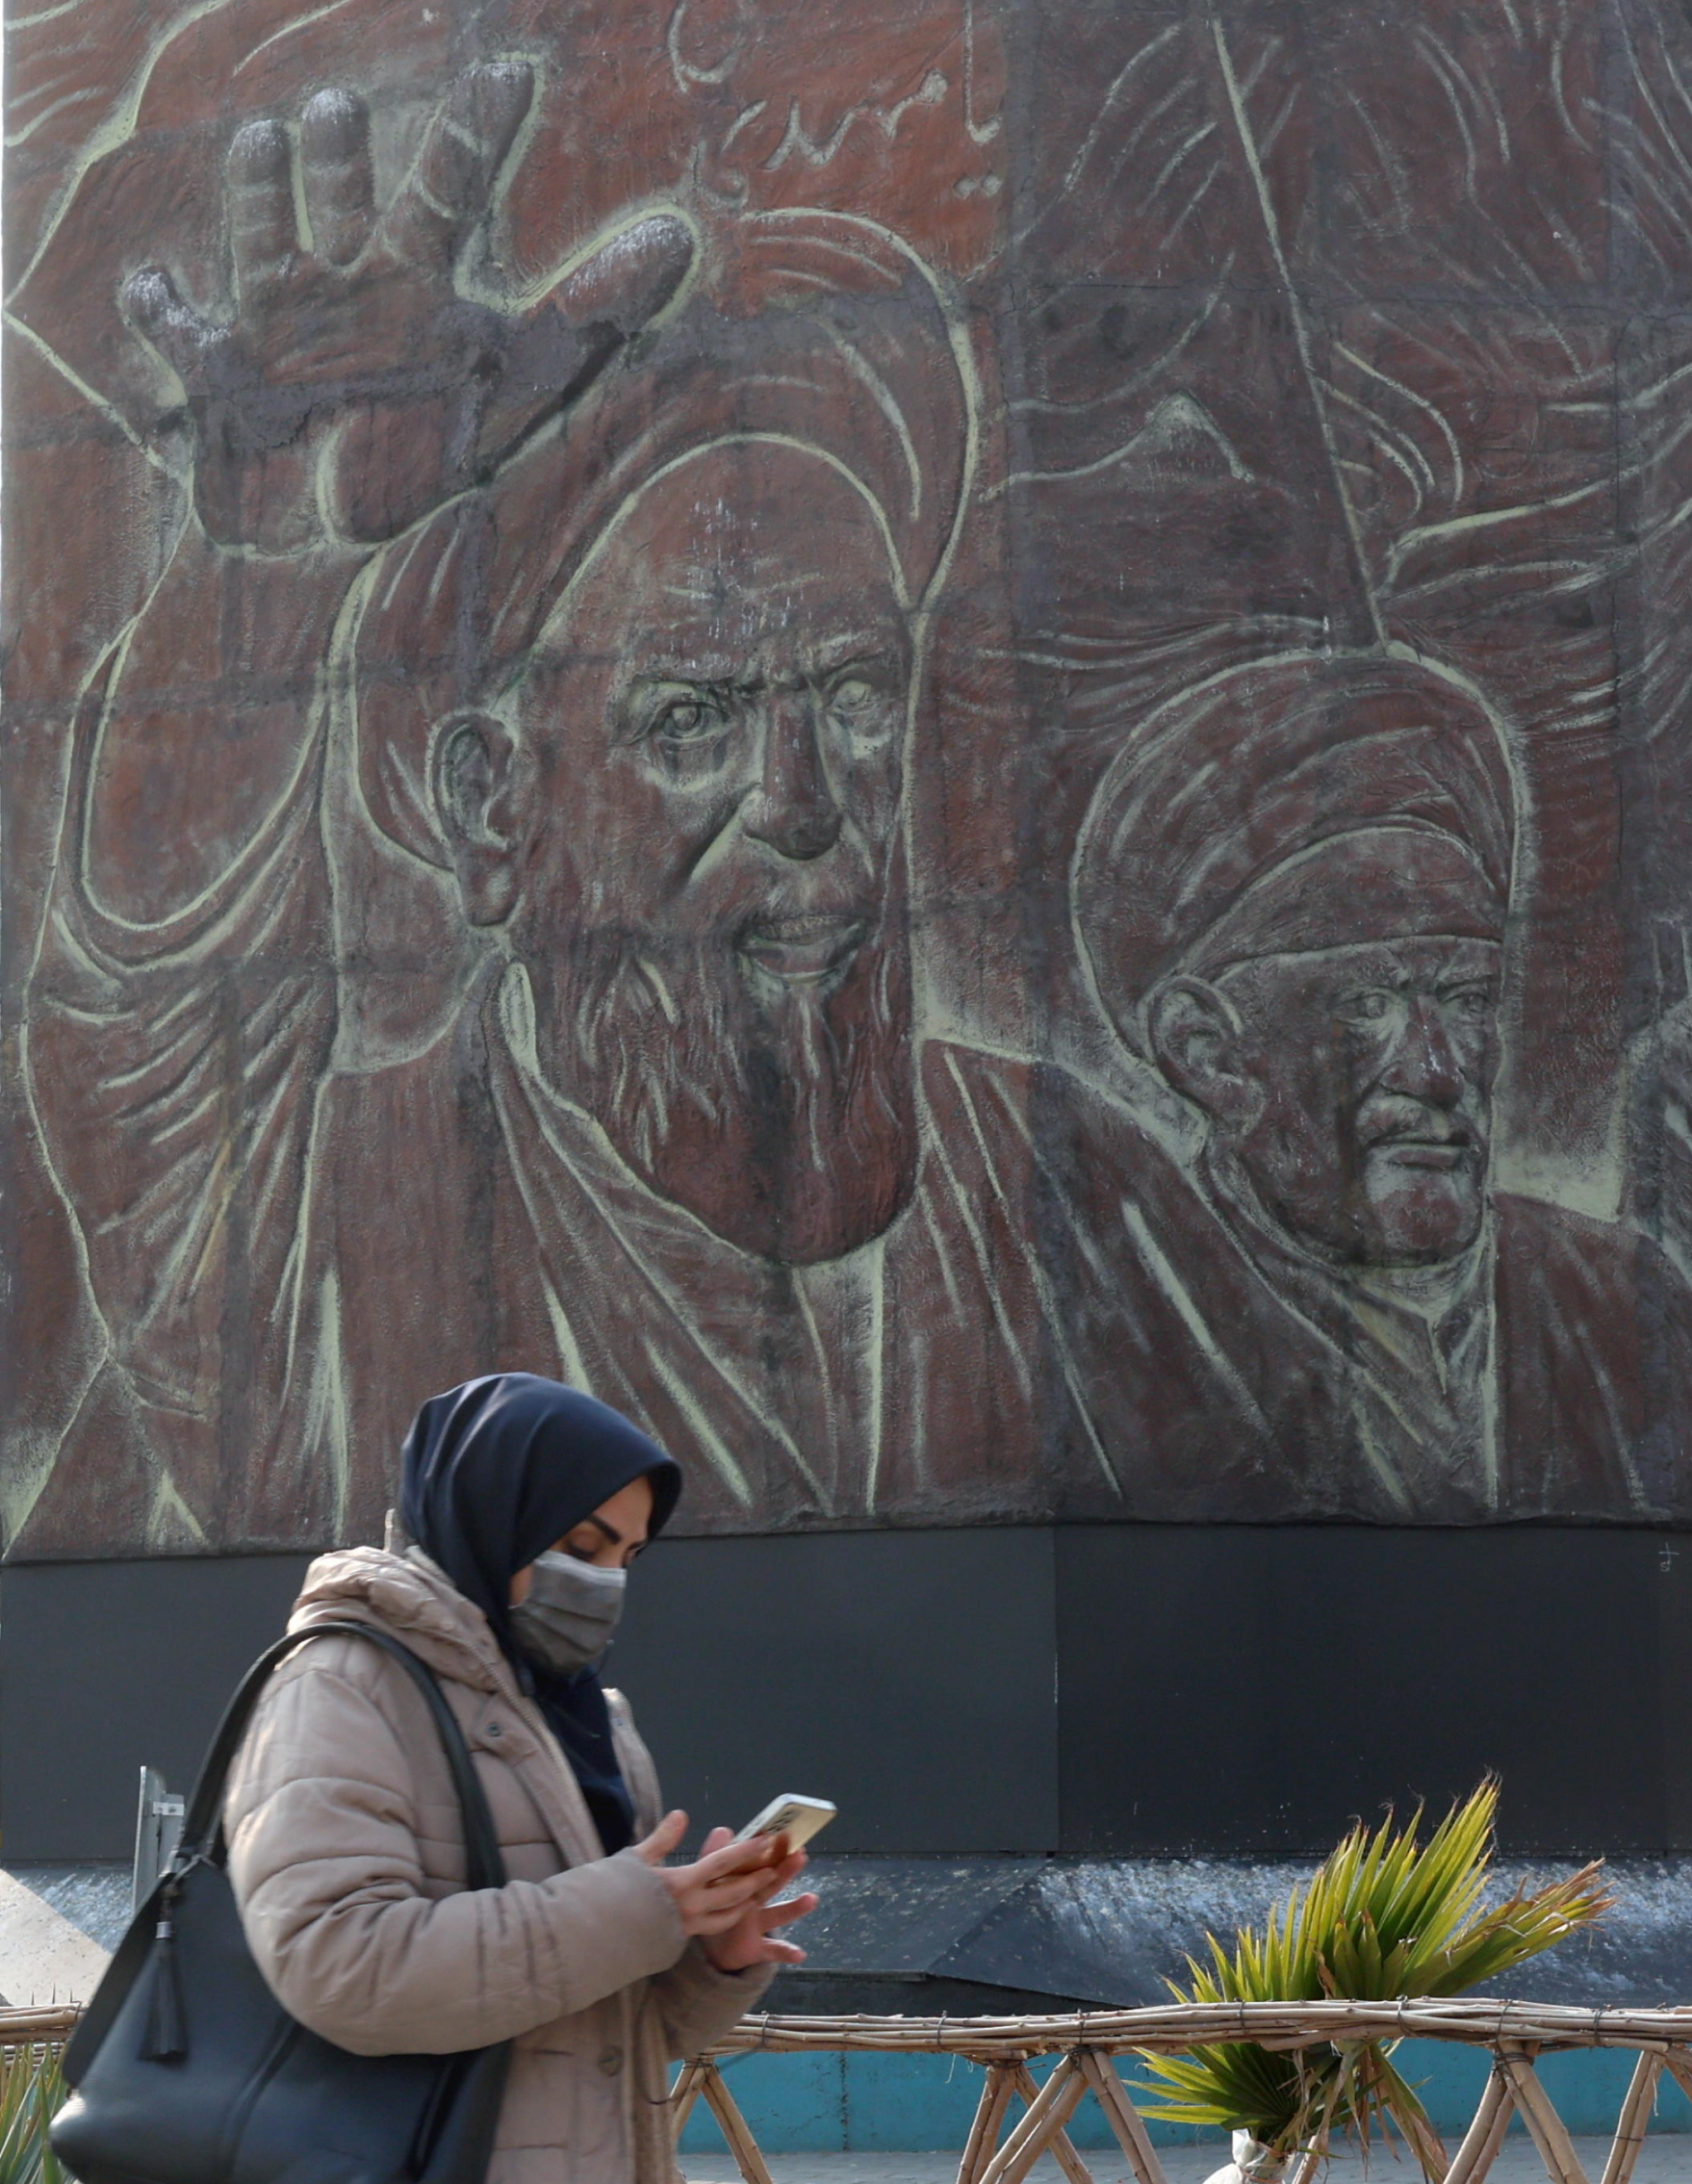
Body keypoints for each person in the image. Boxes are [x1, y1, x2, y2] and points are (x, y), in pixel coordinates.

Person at [22, 85, 1134, 1551]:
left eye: (857, 696)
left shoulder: (1089, 1203)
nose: (803, 808)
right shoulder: (344, 1226)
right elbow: (142, 1019)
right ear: (493, 810)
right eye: (690, 722)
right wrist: (266, 574)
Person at [170, 1371, 813, 2184]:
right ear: (488, 1506)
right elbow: (340, 1961)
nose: (600, 1577)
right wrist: (632, 1910)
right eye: (578, 1538)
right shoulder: (345, 1681)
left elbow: (591, 2022)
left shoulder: (588, 1724)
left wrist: (704, 1959)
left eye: (624, 1555)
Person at [1065, 648, 1692, 1518]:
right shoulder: (1120, 1336)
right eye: (1368, 1003)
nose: (1439, 1073)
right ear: (1205, 1053)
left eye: (1469, 997)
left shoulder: (1621, 1305)